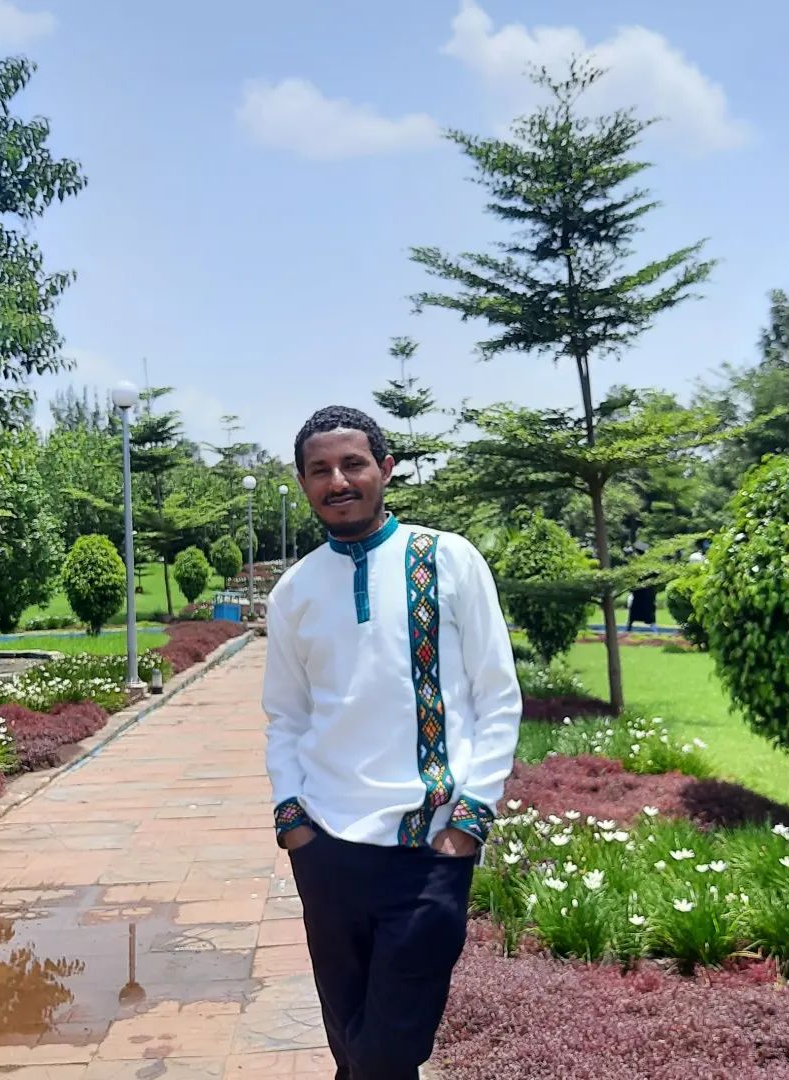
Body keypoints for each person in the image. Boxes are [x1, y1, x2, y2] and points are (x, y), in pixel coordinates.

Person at [262, 406, 522, 1080]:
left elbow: (497, 696)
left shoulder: (447, 559)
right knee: (352, 1047)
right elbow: (286, 716)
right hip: (326, 851)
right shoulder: (294, 591)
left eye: (353, 464)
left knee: (385, 1052)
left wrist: (470, 820)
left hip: (427, 848)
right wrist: (293, 821)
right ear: (303, 482)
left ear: (385, 468)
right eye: (320, 470)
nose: (338, 481)